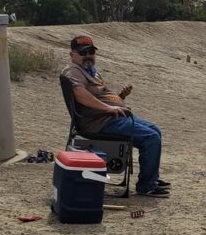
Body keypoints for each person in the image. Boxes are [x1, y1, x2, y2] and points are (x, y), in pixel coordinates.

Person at [61, 35, 170, 198]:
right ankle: (146, 185)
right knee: (151, 138)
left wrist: (120, 98)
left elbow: (100, 96)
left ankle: (150, 178)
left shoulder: (90, 72)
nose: (88, 56)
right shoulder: (73, 71)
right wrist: (108, 108)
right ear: (72, 55)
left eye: (91, 51)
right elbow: (80, 94)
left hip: (111, 117)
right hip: (100, 122)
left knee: (155, 130)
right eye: (83, 52)